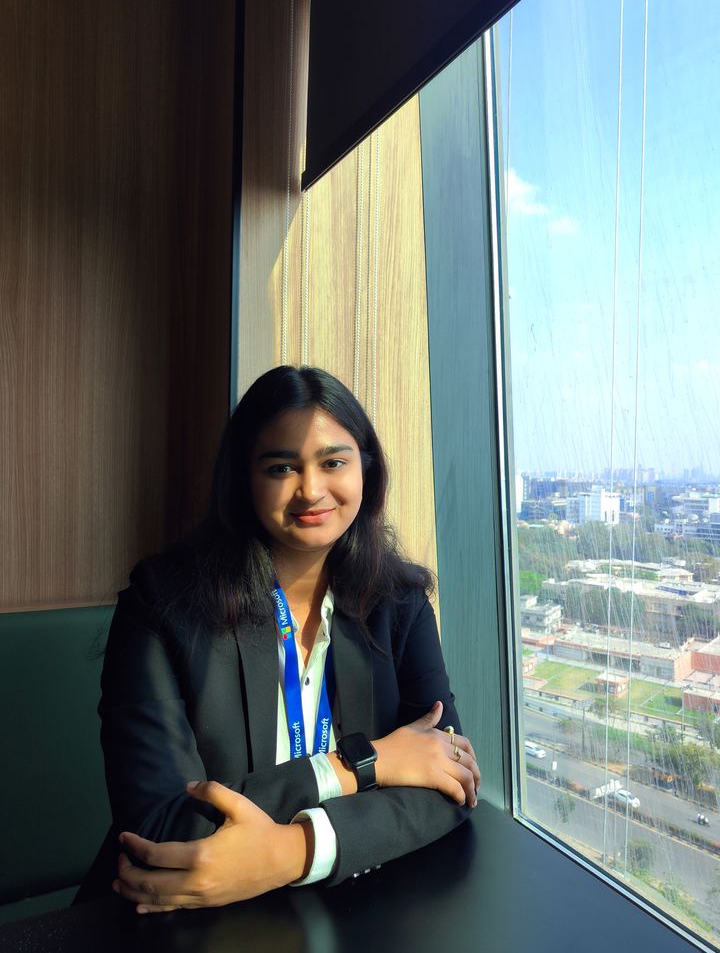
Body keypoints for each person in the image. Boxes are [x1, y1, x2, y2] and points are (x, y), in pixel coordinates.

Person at [77, 365, 480, 913]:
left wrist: (293, 852)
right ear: (244, 479)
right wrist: (366, 763)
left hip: (349, 913)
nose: (310, 490)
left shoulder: (401, 602)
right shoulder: (162, 604)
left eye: (333, 462)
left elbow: (453, 783)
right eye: (282, 467)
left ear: (366, 468)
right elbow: (166, 828)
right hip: (172, 918)